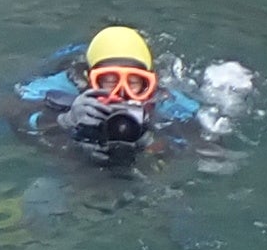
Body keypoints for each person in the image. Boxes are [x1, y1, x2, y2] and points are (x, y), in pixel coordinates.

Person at [13, 24, 205, 161]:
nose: (121, 93)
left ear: (150, 83)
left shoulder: (166, 99)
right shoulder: (62, 87)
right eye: (109, 81)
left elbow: (201, 142)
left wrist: (153, 140)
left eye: (134, 82)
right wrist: (64, 120)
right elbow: (13, 112)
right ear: (89, 80)